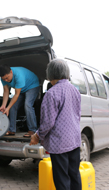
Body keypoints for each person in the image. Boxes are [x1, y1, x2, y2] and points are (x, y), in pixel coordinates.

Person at [30, 59, 82, 190]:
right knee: (74, 175)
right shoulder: (75, 90)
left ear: (50, 74)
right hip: (74, 140)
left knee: (62, 179)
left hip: (59, 144)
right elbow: (77, 115)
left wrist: (37, 136)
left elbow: (48, 122)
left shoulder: (51, 93)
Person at [0, 64, 40, 137]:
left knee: (27, 105)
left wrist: (7, 108)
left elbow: (16, 94)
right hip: (21, 89)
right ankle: (11, 130)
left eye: (7, 78)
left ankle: (32, 130)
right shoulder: (3, 78)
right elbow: (6, 91)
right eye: (4, 79)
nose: (6, 80)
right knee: (12, 106)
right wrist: (4, 105)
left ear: (11, 72)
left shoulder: (18, 75)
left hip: (32, 86)